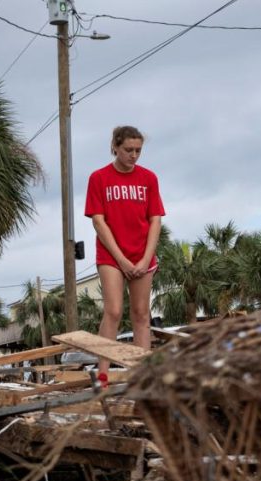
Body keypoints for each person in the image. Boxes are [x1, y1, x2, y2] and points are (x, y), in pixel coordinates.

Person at [84, 126, 165, 388]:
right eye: (128, 150)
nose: (134, 155)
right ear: (115, 147)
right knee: (114, 310)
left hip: (142, 254)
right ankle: (103, 374)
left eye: (138, 150)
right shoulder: (99, 178)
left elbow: (155, 220)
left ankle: (142, 374)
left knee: (141, 314)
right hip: (111, 255)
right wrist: (121, 260)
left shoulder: (149, 178)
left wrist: (145, 259)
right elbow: (98, 221)